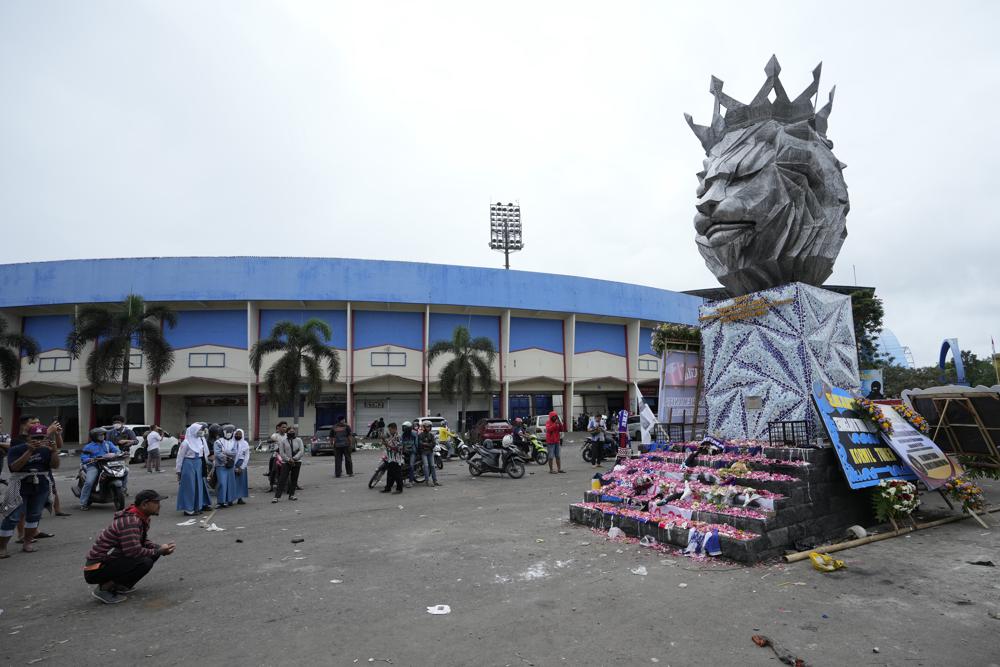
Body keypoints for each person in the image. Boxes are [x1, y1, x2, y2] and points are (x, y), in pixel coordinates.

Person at [83, 489, 175, 604]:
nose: (159, 506)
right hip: (95, 569)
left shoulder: (140, 517)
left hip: (109, 561)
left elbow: (141, 541)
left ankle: (119, 585)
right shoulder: (131, 521)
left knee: (153, 552)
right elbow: (133, 551)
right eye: (156, 503)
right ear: (144, 504)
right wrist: (159, 551)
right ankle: (104, 589)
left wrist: (159, 548)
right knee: (145, 561)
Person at [0, 423, 60, 557]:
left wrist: (54, 451)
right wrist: (29, 451)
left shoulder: (47, 449)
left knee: (34, 515)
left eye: (41, 437)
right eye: (35, 437)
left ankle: (27, 542)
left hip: (41, 484)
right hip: (20, 484)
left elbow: (55, 466)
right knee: (12, 516)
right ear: (28, 437)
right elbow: (14, 468)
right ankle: (2, 547)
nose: (38, 441)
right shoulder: (16, 449)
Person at [78, 427, 129, 510]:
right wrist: (91, 459)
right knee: (89, 482)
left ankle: (123, 488)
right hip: (94, 466)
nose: (102, 436)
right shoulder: (88, 447)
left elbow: (116, 451)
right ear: (94, 436)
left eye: (103, 434)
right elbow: (84, 458)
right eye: (100, 435)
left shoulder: (108, 444)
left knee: (126, 470)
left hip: (108, 465)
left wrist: (122, 454)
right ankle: (83, 503)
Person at [175, 423, 212, 516]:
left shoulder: (200, 440)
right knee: (189, 486)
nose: (201, 432)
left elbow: (204, 453)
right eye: (199, 429)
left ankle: (197, 507)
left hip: (198, 463)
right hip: (188, 463)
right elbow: (180, 457)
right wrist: (178, 470)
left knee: (198, 486)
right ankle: (188, 509)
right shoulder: (186, 442)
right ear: (193, 430)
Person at [105, 417, 136, 496]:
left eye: (118, 422)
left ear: (122, 423)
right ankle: (112, 488)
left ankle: (123, 489)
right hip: (112, 455)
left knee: (123, 471)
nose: (116, 424)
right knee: (112, 471)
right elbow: (107, 442)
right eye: (114, 423)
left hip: (124, 455)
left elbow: (136, 441)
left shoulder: (129, 431)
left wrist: (126, 441)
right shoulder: (110, 432)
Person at [272, 427, 303, 502]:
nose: (292, 432)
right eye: (290, 431)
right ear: (287, 432)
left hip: (297, 462)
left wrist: (294, 458)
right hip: (286, 462)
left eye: (293, 431)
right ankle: (276, 496)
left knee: (294, 479)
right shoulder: (283, 441)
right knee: (282, 479)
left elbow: (301, 451)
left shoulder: (299, 440)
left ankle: (291, 495)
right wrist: (289, 459)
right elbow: (282, 453)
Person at [212, 424, 239, 508]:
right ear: (222, 432)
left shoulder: (233, 442)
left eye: (231, 432)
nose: (229, 433)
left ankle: (229, 500)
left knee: (230, 483)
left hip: (230, 466)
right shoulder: (218, 442)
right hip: (221, 466)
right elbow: (217, 453)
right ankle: (220, 501)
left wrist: (225, 452)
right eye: (227, 432)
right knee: (222, 483)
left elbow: (235, 452)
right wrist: (226, 458)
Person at [380, 422, 404, 494]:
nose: (389, 431)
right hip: (390, 458)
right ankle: (388, 488)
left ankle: (399, 489)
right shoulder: (391, 436)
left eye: (390, 430)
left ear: (395, 429)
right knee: (390, 474)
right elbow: (387, 444)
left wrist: (388, 445)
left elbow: (398, 448)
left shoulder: (398, 437)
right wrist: (383, 440)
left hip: (397, 459)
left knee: (397, 474)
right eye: (389, 430)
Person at [268, 421, 290, 491]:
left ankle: (296, 484)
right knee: (273, 467)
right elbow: (272, 439)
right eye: (283, 427)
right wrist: (272, 441)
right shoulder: (275, 435)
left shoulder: (287, 435)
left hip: (286, 454)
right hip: (277, 454)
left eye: (285, 427)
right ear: (279, 428)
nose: (284, 428)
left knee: (294, 466)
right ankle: (271, 486)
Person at [419, 420, 440, 486]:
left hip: (430, 452)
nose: (429, 428)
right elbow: (420, 444)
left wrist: (425, 444)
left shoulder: (431, 435)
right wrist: (428, 444)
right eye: (427, 426)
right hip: (424, 453)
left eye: (429, 426)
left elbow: (433, 444)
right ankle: (427, 481)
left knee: (433, 466)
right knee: (426, 466)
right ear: (424, 427)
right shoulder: (421, 435)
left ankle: (435, 481)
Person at [400, 421, 418, 486]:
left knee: (411, 465)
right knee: (401, 465)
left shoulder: (414, 434)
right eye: (403, 427)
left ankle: (411, 481)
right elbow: (401, 443)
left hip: (412, 452)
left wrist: (416, 451)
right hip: (405, 452)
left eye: (405, 428)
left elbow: (416, 443)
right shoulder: (403, 435)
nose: (403, 429)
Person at [234, 428, 249, 504]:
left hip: (241, 464)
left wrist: (242, 467)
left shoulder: (245, 443)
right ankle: (230, 499)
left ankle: (240, 498)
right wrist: (233, 467)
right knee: (232, 482)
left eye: (240, 434)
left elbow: (247, 456)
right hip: (232, 464)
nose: (238, 435)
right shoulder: (231, 442)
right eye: (236, 434)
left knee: (241, 482)